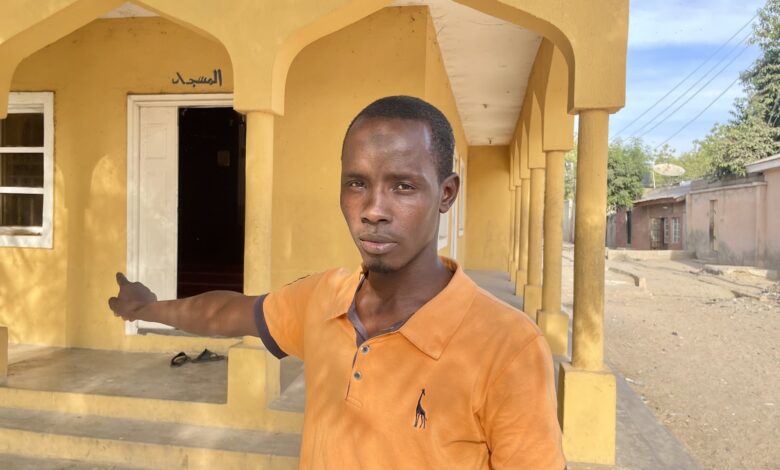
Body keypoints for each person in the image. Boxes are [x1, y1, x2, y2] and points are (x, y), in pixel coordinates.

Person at [109, 95, 566, 469]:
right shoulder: (324, 297)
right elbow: (228, 312)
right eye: (357, 184)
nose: (373, 209)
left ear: (446, 193)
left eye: (403, 186)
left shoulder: (508, 347)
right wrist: (148, 309)